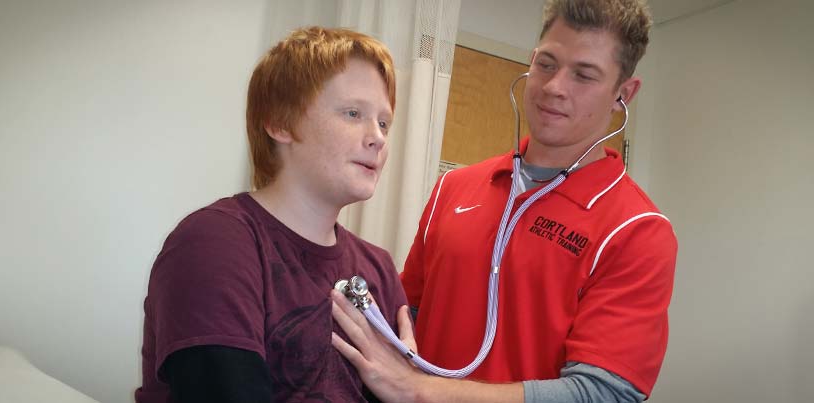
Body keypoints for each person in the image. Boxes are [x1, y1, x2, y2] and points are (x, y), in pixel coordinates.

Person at [330, 0, 677, 402]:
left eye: (584, 75)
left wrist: (419, 392)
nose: (554, 87)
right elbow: (406, 320)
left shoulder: (637, 230)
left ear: (624, 93)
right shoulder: (455, 187)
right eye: (546, 64)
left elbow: (600, 393)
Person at [135, 26, 408, 403]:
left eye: (383, 123)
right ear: (279, 122)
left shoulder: (379, 270)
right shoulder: (214, 244)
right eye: (352, 113)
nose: (377, 137)